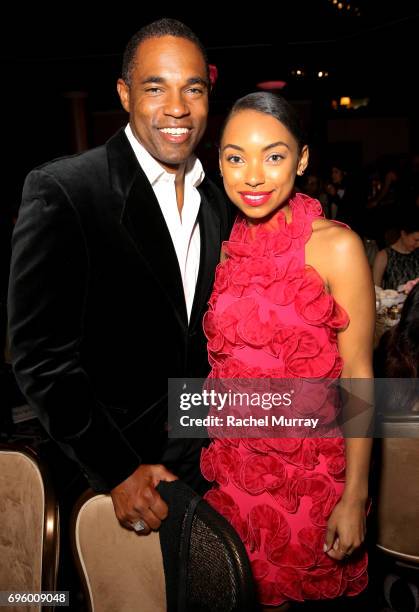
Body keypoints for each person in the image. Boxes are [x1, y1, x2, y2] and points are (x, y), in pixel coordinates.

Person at [7, 18, 231, 535]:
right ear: (125, 94)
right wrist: (117, 472)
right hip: (110, 486)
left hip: (203, 472)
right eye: (156, 88)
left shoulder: (217, 200)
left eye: (192, 89)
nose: (177, 107)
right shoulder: (66, 190)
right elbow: (41, 360)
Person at [200, 92, 375, 609]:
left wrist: (355, 494)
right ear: (221, 164)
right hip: (237, 473)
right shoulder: (227, 244)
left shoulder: (337, 247)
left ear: (301, 160)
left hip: (308, 481)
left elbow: (360, 374)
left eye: (273, 156)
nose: (253, 176)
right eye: (236, 157)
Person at [373, 212, 419, 289]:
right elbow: (375, 289)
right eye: (416, 240)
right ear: (403, 234)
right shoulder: (384, 255)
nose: (418, 244)